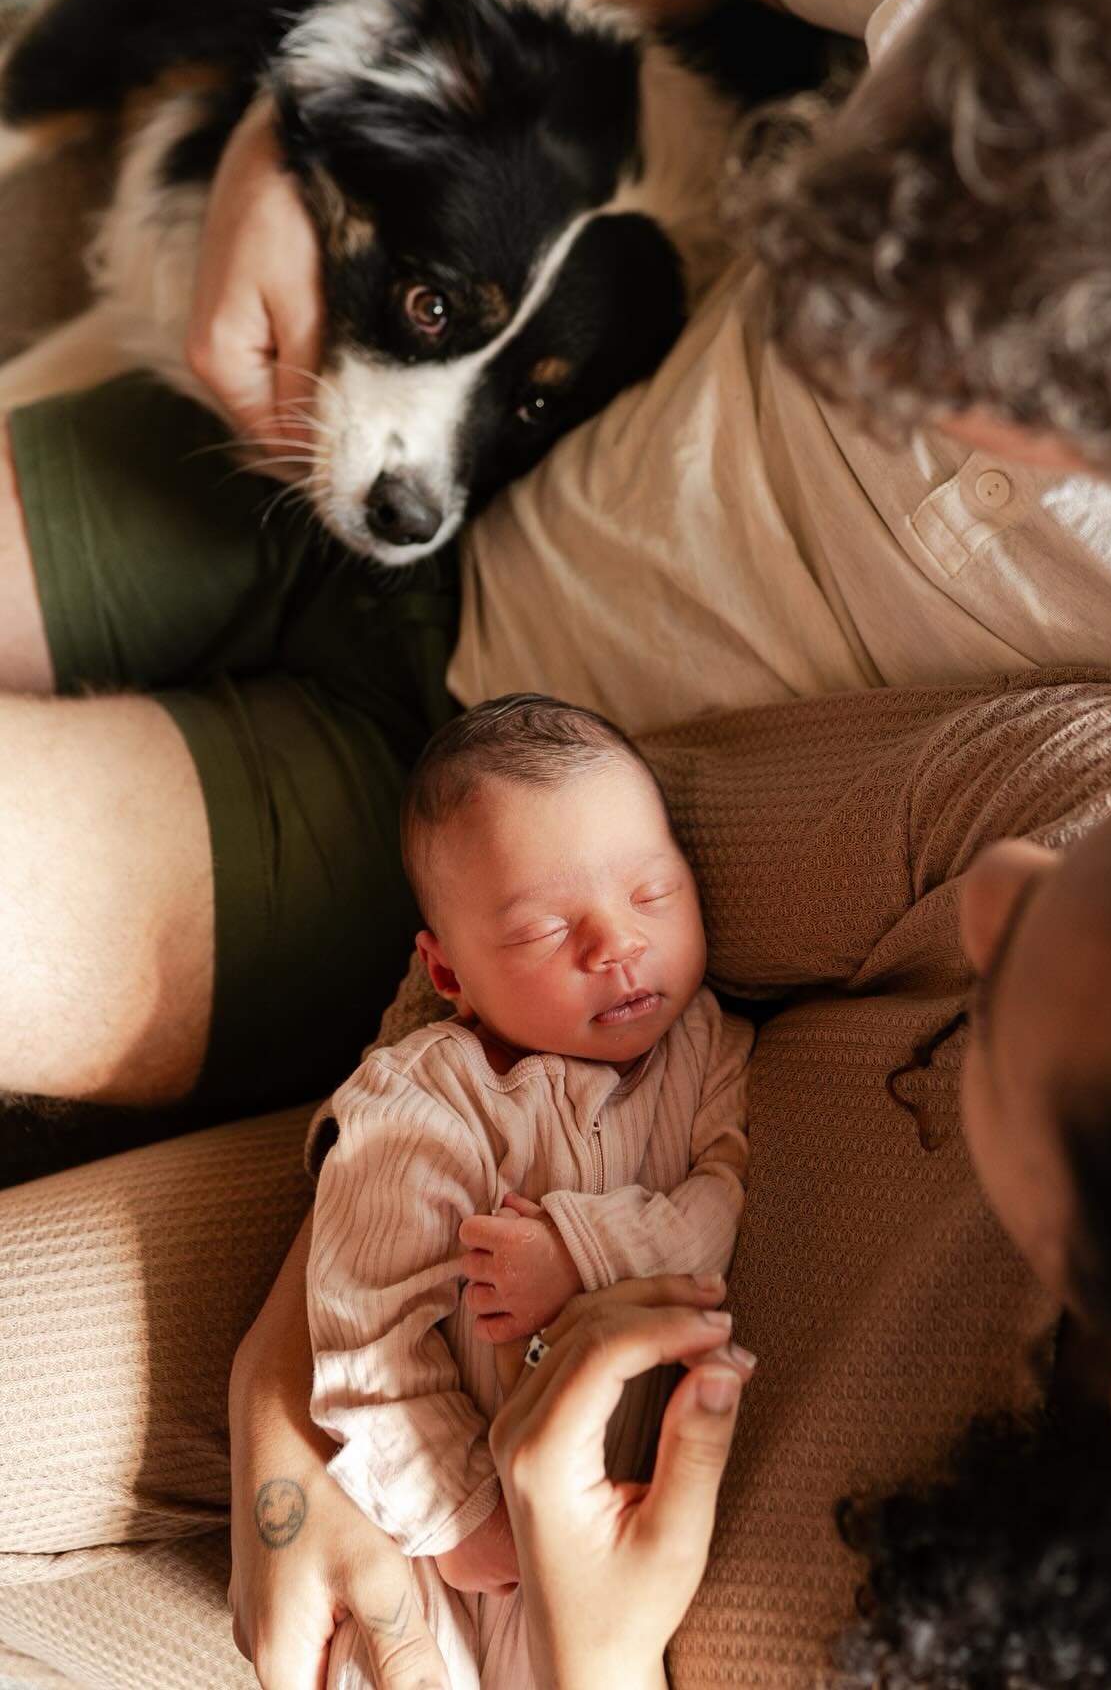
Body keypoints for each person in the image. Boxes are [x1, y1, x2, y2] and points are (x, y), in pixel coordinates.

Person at [5, 0, 1111, 1133]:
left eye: (942, 385)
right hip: (457, 463)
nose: (852, 378)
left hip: (514, 871)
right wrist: (301, 124)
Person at [483, 698, 1111, 1690]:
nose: (997, 876)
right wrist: (332, 1368)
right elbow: (504, 853)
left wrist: (592, 1658)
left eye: (1002, 994)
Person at [309, 693, 750, 1689]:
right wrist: (457, 1511)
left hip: (630, 1535)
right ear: (450, 973)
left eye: (652, 893)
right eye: (548, 928)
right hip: (455, 1550)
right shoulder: (426, 1099)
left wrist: (584, 1255)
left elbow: (721, 1204)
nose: (615, 947)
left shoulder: (705, 1049)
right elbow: (365, 1325)